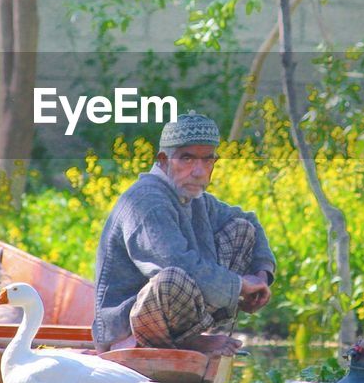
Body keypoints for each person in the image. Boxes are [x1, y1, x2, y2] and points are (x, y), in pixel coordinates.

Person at [93, 112, 277, 356]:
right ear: (164, 160)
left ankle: (191, 338)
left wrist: (261, 276)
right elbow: (178, 264)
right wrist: (240, 285)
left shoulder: (193, 196)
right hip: (124, 329)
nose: (199, 171)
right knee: (172, 279)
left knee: (242, 230)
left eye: (207, 160)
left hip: (171, 316)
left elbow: (248, 219)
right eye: (187, 159)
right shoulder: (147, 201)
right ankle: (186, 343)